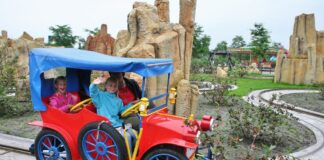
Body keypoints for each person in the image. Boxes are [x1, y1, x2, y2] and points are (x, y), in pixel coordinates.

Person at [89, 76, 136, 151]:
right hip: (107, 125)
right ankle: (127, 156)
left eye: (115, 86)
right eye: (110, 85)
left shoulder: (118, 100)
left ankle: (136, 153)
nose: (112, 88)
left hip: (117, 124)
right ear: (106, 86)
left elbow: (122, 111)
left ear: (117, 88)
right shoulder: (100, 97)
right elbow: (93, 93)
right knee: (127, 136)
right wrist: (94, 84)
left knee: (135, 134)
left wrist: (131, 104)